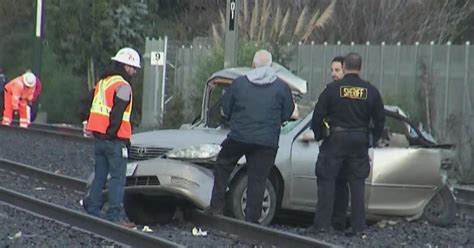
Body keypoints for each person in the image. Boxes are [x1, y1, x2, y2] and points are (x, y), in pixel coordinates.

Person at [207, 50, 294, 223]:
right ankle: (252, 222)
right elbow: (288, 112)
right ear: (271, 67)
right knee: (258, 179)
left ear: (253, 66)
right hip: (267, 142)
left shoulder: (239, 84)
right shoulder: (282, 87)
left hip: (240, 137)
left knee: (223, 165)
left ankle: (216, 208)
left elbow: (226, 108)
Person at [309, 52, 385, 236]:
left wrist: (320, 136)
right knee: (357, 184)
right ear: (360, 68)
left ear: (344, 68)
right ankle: (358, 227)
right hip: (359, 142)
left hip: (335, 140)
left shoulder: (332, 89)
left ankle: (322, 225)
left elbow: (317, 115)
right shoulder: (371, 91)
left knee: (327, 181)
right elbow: (380, 120)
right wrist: (372, 140)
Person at [84, 47, 140, 224]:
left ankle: (92, 210)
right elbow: (117, 113)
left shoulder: (103, 82)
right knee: (117, 179)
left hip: (99, 138)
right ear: (125, 66)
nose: (135, 71)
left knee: (100, 175)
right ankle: (113, 216)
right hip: (114, 140)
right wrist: (113, 134)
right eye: (133, 67)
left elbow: (86, 104)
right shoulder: (123, 86)